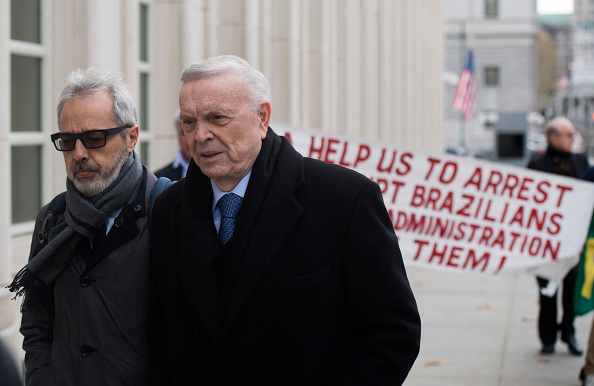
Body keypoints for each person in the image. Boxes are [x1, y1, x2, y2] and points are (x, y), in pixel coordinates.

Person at [149, 55, 421, 385]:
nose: (200, 135)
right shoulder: (167, 210)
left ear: (262, 118)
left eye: (217, 118)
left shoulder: (345, 199)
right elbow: (159, 339)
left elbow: (391, 335)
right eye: (189, 123)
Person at [7, 68, 158, 385]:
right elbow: (37, 322)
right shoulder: (52, 218)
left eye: (93, 139)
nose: (78, 153)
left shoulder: (166, 209)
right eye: (67, 140)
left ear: (131, 137)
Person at [527, 116, 589, 356]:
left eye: (573, 134)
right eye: (569, 134)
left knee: (571, 292)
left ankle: (569, 333)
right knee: (547, 292)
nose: (574, 139)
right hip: (546, 245)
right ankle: (548, 338)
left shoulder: (581, 161)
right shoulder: (537, 164)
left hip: (575, 244)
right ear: (554, 137)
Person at [155, 109, 191, 180]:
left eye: (192, 132)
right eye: (184, 133)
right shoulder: (160, 178)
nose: (189, 140)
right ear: (178, 136)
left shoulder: (215, 173)